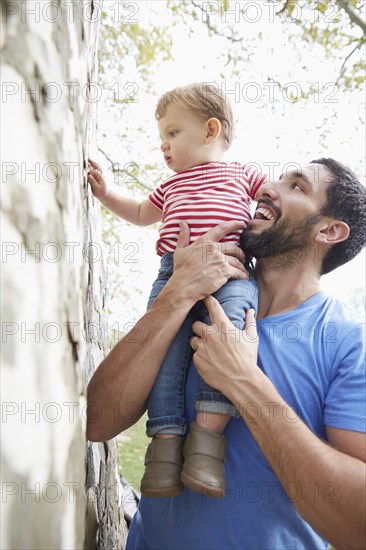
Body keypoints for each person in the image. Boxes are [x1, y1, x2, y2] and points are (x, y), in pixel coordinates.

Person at [87, 158, 366, 550]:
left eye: (298, 186)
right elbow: (97, 422)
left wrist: (243, 381)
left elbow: (358, 524)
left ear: (329, 230)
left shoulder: (348, 342)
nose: (268, 186)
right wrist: (177, 293)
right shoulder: (191, 296)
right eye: (280, 177)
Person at [88, 82, 266, 498]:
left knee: (231, 335)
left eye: (172, 133)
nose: (163, 146)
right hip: (172, 273)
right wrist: (106, 192)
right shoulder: (169, 187)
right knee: (165, 355)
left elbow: (271, 211)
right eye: (161, 137)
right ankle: (164, 448)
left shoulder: (243, 174)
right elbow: (137, 212)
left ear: (209, 131)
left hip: (230, 273)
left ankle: (207, 442)